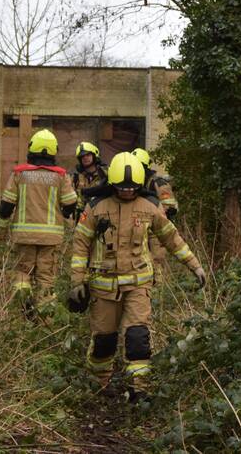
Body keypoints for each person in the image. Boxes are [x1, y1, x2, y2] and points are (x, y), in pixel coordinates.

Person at [68, 152, 206, 400]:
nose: (128, 192)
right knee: (104, 341)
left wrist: (194, 265)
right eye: (122, 188)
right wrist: (77, 281)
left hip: (139, 284)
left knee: (137, 337)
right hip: (103, 287)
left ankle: (139, 389)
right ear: (113, 184)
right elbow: (80, 243)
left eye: (132, 188)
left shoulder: (150, 206)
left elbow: (171, 238)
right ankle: (100, 384)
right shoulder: (96, 207)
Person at [0, 129, 78, 313]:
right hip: (51, 239)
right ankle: (44, 318)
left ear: (32, 148)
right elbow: (71, 203)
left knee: (22, 274)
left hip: (23, 237)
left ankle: (22, 309)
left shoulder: (19, 174)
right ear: (54, 150)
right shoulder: (60, 176)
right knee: (46, 278)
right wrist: (64, 213)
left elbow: (6, 205)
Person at [131, 148, 178, 219]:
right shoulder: (133, 183)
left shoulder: (159, 184)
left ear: (145, 167)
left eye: (138, 166)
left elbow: (170, 209)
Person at [72, 141, 107, 220]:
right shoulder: (76, 178)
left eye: (88, 155)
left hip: (102, 215)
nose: (85, 158)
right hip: (83, 217)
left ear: (94, 155)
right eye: (82, 157)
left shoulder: (105, 173)